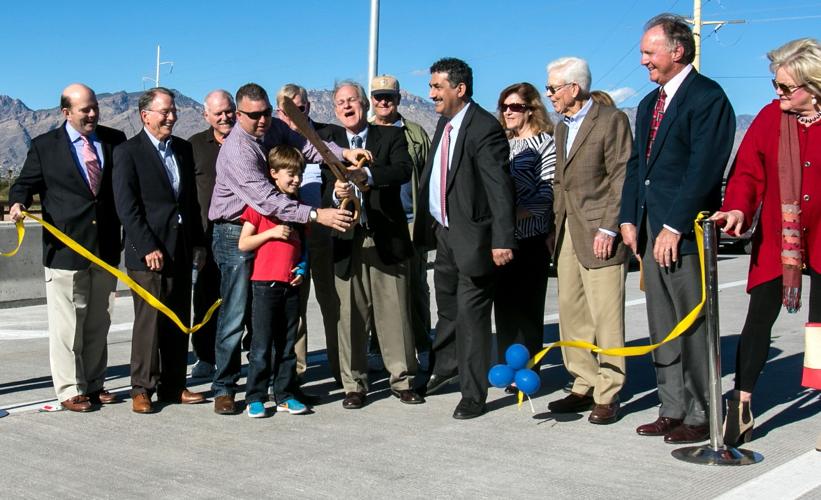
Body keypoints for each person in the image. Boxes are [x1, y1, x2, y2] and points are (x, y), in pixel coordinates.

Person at [208, 83, 367, 415]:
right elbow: (269, 200)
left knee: (279, 316)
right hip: (238, 229)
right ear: (239, 116)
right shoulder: (238, 150)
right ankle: (225, 387)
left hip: (277, 226)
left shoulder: (274, 127)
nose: (263, 120)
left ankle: (281, 386)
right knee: (237, 313)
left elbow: (308, 147)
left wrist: (342, 154)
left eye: (266, 112)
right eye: (254, 116)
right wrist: (315, 214)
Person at [619, 14, 736, 443]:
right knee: (662, 325)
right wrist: (629, 218)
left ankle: (705, 414)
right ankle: (672, 407)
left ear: (677, 50)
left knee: (692, 324)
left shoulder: (707, 98)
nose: (644, 60)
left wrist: (673, 225)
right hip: (651, 233)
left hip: (684, 236)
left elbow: (704, 169)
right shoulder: (650, 104)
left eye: (650, 52)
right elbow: (637, 167)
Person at [710, 38, 821, 447]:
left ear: (814, 86)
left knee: (820, 329)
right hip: (779, 235)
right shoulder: (770, 117)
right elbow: (746, 174)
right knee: (758, 320)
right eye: (775, 85)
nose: (777, 93)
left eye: (786, 88)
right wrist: (737, 209)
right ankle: (741, 402)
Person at [9, 83, 126, 412]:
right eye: (84, 109)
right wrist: (18, 202)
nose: (92, 114)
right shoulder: (46, 146)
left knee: (98, 321)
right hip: (64, 249)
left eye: (94, 108)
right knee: (67, 326)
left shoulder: (115, 141)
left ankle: (94, 383)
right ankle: (70, 389)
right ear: (66, 113)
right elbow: (24, 183)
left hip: (104, 247)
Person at [414, 58, 516, 419]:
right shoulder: (444, 124)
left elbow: (500, 190)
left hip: (474, 240)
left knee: (472, 317)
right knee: (448, 310)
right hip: (444, 235)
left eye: (437, 87)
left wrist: (502, 239)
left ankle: (473, 394)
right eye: (431, 87)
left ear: (460, 89)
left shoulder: (484, 129)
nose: (431, 94)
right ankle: (444, 369)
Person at [320, 80, 423, 409]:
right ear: (335, 109)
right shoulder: (328, 143)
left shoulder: (389, 136)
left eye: (352, 100)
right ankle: (355, 384)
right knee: (350, 315)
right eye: (340, 102)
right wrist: (337, 193)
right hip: (347, 241)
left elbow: (403, 170)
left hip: (385, 238)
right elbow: (319, 187)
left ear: (364, 105)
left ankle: (403, 379)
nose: (347, 106)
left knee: (395, 312)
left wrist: (370, 177)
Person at [545, 58, 632, 425]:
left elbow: (621, 176)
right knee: (572, 312)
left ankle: (609, 390)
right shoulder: (562, 127)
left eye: (553, 88)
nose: (549, 95)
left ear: (573, 88)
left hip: (600, 233)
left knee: (606, 315)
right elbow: (560, 183)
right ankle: (583, 381)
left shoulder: (612, 121)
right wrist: (553, 225)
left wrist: (610, 228)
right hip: (567, 231)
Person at [112, 87, 207, 414]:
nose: (172, 116)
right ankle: (142, 388)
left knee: (179, 319)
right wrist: (147, 246)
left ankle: (174, 385)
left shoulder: (182, 149)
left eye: (173, 110)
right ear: (145, 115)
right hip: (147, 254)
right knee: (149, 323)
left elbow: (190, 202)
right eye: (165, 111)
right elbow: (128, 208)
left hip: (180, 249)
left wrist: (197, 242)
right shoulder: (128, 152)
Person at [275, 83, 341, 386]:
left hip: (326, 233)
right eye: (287, 110)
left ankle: (342, 365)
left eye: (299, 109)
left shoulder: (328, 135)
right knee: (294, 305)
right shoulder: (274, 140)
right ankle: (297, 370)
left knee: (333, 302)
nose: (293, 115)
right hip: (292, 233)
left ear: (308, 108)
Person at [239, 145, 310, 418]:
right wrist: (271, 234)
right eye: (290, 174)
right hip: (264, 284)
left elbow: (302, 246)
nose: (296, 180)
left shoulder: (299, 208)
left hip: (290, 284)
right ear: (273, 174)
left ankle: (285, 394)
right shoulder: (259, 207)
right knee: (261, 345)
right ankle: (255, 397)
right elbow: (245, 243)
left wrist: (302, 268)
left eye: (299, 174)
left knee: (287, 343)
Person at [369, 74, 433, 371]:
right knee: (377, 292)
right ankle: (378, 346)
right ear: (371, 99)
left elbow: (430, 177)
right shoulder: (362, 133)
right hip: (376, 221)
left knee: (415, 288)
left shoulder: (416, 133)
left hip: (410, 220)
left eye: (390, 97)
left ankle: (422, 345)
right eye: (379, 96)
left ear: (398, 99)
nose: (384, 102)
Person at [492, 82, 555, 383]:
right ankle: (507, 369)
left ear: (532, 109)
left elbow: (545, 197)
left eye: (515, 106)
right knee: (504, 309)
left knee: (528, 310)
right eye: (504, 106)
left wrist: (508, 214)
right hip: (501, 240)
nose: (508, 112)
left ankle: (529, 370)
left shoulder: (546, 143)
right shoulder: (501, 144)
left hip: (531, 240)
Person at [188, 89, 236, 380]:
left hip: (244, 234)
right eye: (217, 113)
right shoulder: (193, 146)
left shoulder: (247, 141)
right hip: (207, 237)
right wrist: (195, 241)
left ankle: (242, 355)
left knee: (244, 301)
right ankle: (205, 356)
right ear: (206, 116)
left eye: (228, 111)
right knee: (205, 298)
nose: (224, 117)